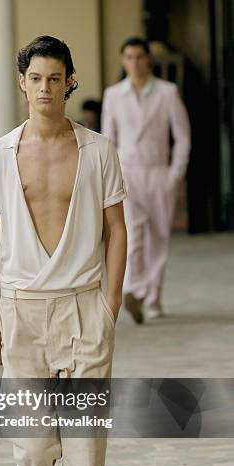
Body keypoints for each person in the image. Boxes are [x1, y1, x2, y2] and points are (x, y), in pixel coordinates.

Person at [0, 35, 127, 466]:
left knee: (85, 445)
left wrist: (108, 307)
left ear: (69, 82)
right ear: (23, 82)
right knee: (34, 447)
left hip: (85, 308)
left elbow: (117, 231)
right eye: (35, 78)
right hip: (22, 313)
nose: (44, 88)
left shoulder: (99, 151)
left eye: (54, 78)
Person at [101, 37, 191, 322]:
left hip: (159, 172)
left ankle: (153, 299)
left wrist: (175, 173)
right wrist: (111, 176)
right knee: (133, 233)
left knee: (159, 237)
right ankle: (136, 290)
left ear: (148, 59)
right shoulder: (114, 95)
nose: (135, 62)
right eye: (129, 56)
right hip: (128, 173)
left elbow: (183, 136)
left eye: (140, 56)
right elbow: (108, 139)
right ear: (122, 60)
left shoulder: (167, 92)